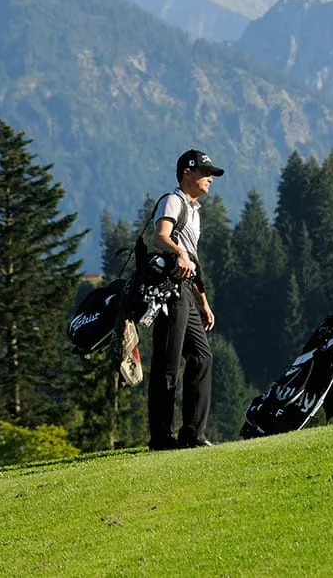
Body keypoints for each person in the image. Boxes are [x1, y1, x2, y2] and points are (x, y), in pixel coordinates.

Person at [147, 149, 222, 451]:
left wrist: (203, 302)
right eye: (205, 173)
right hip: (169, 292)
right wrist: (178, 253)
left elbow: (194, 260)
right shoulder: (173, 200)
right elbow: (160, 236)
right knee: (167, 363)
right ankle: (161, 438)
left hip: (187, 292)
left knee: (202, 357)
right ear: (187, 173)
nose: (210, 180)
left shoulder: (195, 210)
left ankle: (192, 435)